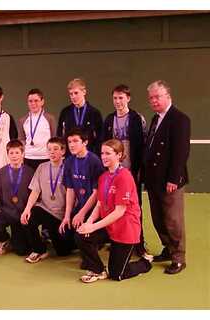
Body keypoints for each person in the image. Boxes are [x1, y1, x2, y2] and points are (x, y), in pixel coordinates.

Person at [75, 139, 153, 283]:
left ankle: (145, 263)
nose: (103, 156)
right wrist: (88, 222)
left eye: (108, 153)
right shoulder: (104, 177)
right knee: (81, 235)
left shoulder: (125, 177)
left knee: (117, 274)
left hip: (125, 230)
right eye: (102, 153)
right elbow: (99, 204)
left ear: (119, 155)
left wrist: (93, 226)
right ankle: (98, 270)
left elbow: (119, 212)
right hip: (109, 226)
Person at [144, 80, 191, 274]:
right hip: (154, 179)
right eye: (151, 98)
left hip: (169, 181)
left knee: (173, 220)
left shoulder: (180, 119)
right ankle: (168, 248)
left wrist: (173, 178)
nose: (154, 101)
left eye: (158, 97)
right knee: (158, 219)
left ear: (168, 97)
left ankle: (179, 257)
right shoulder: (156, 118)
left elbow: (181, 152)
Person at [102, 84, 148, 255]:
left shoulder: (137, 118)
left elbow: (143, 146)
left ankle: (138, 244)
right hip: (114, 173)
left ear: (128, 98)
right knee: (113, 207)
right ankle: (115, 240)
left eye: (121, 97)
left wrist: (140, 170)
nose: (118, 101)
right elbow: (104, 145)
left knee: (134, 208)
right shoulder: (108, 120)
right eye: (115, 98)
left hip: (131, 172)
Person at [20, 137, 74, 263]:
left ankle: (65, 239)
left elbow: (72, 195)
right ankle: (39, 249)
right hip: (44, 209)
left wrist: (67, 216)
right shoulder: (42, 167)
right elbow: (35, 191)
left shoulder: (69, 168)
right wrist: (27, 209)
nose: (52, 152)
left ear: (63, 151)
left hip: (61, 215)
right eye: (49, 149)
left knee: (63, 252)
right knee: (27, 219)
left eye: (55, 149)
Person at [0, 139, 34, 256]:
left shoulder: (30, 172)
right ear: (7, 155)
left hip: (22, 214)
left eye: (17, 153)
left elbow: (34, 195)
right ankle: (4, 240)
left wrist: (28, 210)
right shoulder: (0, 173)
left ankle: (18, 240)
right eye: (11, 153)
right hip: (5, 211)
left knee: (21, 251)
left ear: (23, 154)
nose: (14, 156)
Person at [59, 128, 104, 250]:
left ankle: (98, 241)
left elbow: (97, 193)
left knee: (83, 234)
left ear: (85, 142)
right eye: (69, 142)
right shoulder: (68, 162)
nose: (71, 145)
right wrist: (67, 216)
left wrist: (82, 213)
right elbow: (70, 190)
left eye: (75, 141)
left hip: (95, 208)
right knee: (63, 237)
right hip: (80, 207)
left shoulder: (95, 161)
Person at [57, 78, 103, 156]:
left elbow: (100, 137)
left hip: (89, 155)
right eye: (71, 94)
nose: (73, 96)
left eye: (76, 93)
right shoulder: (65, 112)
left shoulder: (94, 113)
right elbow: (59, 134)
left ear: (84, 92)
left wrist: (96, 154)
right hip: (69, 155)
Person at [17, 88, 56, 171]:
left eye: (36, 101)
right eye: (30, 101)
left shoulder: (49, 118)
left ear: (42, 102)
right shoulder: (23, 120)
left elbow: (54, 138)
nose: (33, 103)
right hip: (28, 158)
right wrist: (21, 158)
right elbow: (22, 140)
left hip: (45, 157)